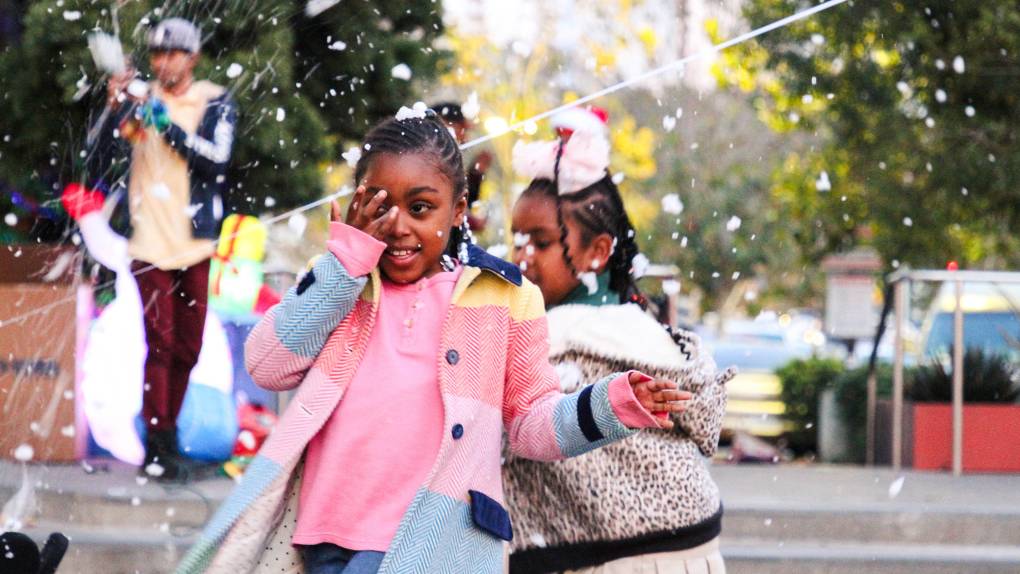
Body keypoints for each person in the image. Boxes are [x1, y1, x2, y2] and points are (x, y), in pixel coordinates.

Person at [175, 110, 691, 574]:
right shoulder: (339, 281)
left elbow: (532, 425)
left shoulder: (507, 297)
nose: (397, 226)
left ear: (458, 209)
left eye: (421, 208)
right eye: (379, 208)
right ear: (356, 206)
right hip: (321, 538)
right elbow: (267, 364)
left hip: (430, 543)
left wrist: (608, 405)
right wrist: (345, 266)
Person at [505, 127, 734, 573]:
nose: (521, 255)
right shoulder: (648, 331)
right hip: (690, 547)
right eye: (515, 238)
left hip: (607, 556)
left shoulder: (556, 338)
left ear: (598, 252)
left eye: (541, 241)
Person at [85, 17, 237, 481]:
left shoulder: (215, 101)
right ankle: (158, 440)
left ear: (192, 58)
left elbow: (217, 160)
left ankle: (167, 434)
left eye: (172, 53)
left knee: (188, 346)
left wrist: (166, 125)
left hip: (194, 243)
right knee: (161, 342)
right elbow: (101, 156)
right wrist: (114, 109)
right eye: (156, 53)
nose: (163, 61)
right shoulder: (140, 99)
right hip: (148, 242)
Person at [434, 101, 491, 231]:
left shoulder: (449, 161)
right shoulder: (430, 159)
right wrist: (471, 221)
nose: (466, 138)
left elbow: (461, 199)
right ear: (448, 125)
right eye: (463, 129)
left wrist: (476, 174)